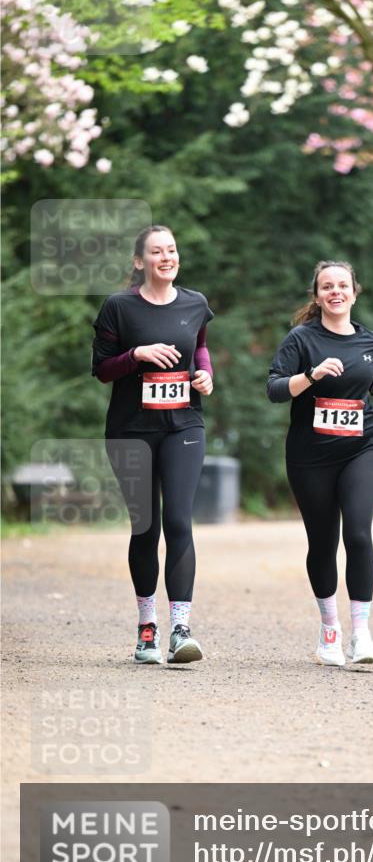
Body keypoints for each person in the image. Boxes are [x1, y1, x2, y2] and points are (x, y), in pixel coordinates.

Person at [267, 260, 373, 667]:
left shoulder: (369, 341)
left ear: (354, 291)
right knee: (324, 541)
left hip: (361, 447)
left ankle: (361, 635)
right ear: (317, 296)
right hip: (310, 457)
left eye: (342, 285)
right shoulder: (301, 340)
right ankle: (330, 630)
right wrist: (310, 377)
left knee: (360, 534)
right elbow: (275, 389)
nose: (335, 292)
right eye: (327, 286)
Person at [91, 225, 214, 665]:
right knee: (146, 528)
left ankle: (181, 629)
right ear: (140, 262)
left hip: (184, 425)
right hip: (131, 430)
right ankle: (147, 629)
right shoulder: (119, 307)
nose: (167, 257)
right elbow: (102, 369)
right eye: (157, 252)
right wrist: (137, 356)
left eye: (172, 250)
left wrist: (205, 373)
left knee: (180, 521)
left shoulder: (195, 303)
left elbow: (199, 346)